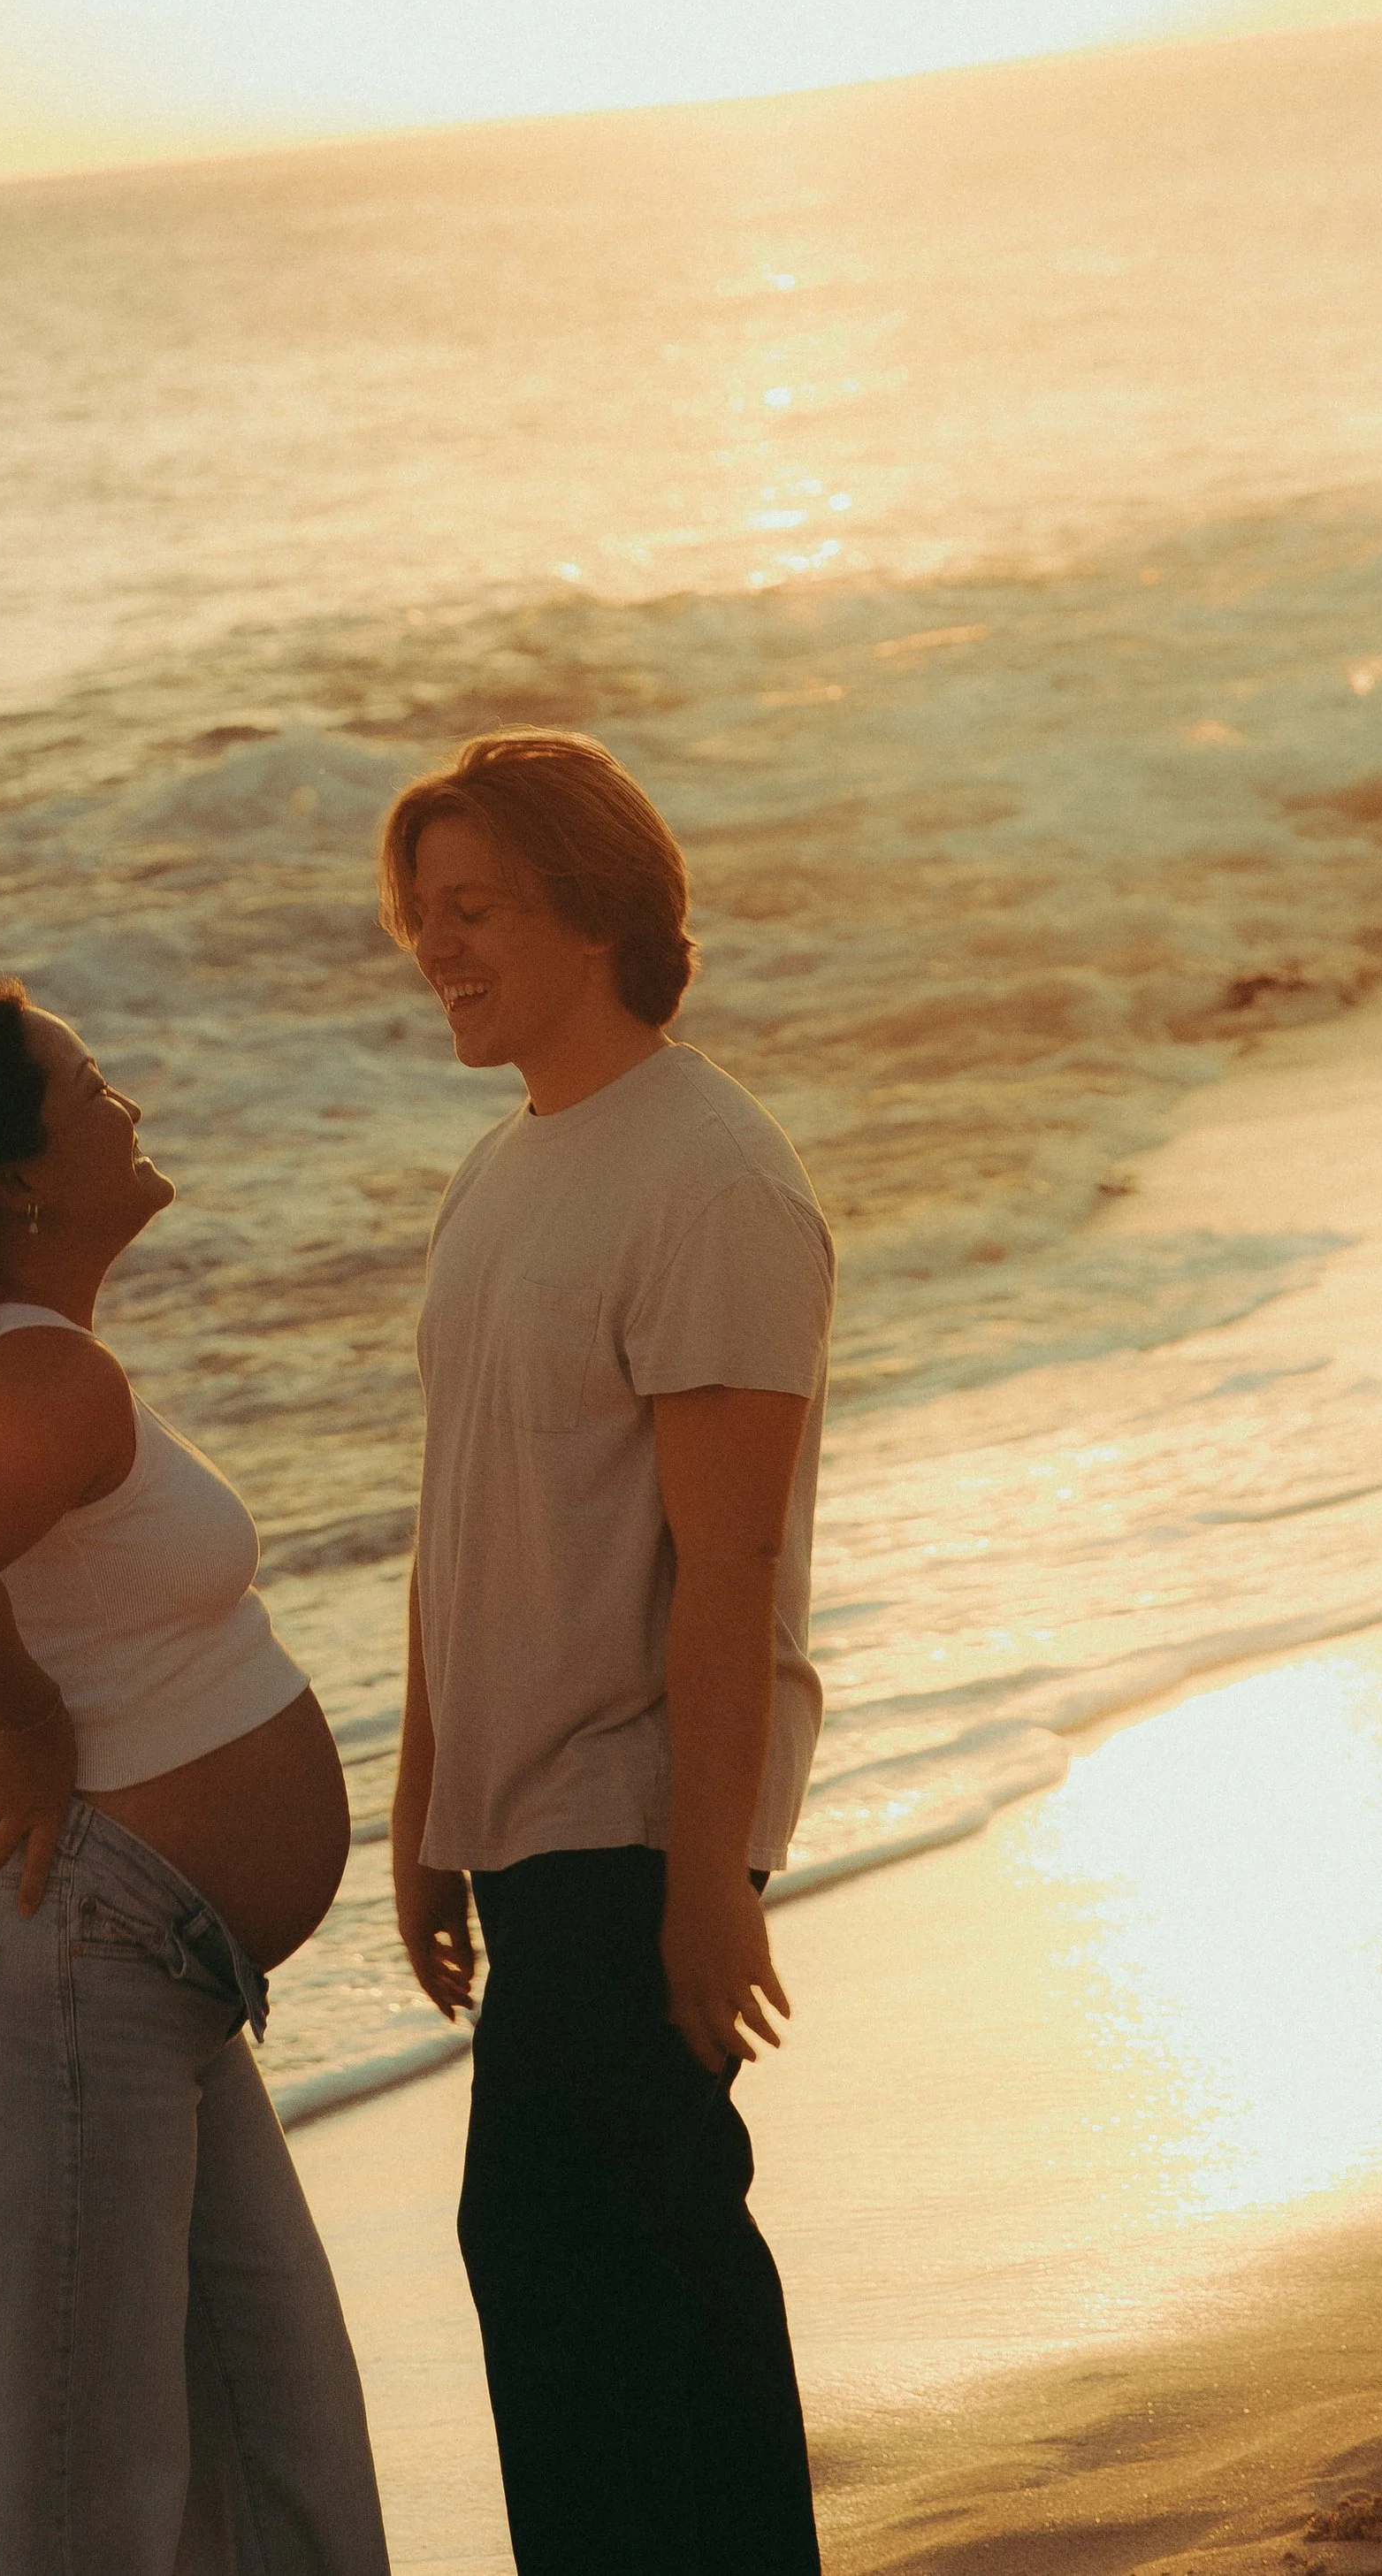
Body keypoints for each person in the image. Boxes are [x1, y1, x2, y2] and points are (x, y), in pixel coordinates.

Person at [0, 980, 389, 2576]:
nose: (127, 1103)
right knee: (59, 2544)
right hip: (65, 1990)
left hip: (142, 1989)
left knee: (288, 2500)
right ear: (20, 1182)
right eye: (91, 1083)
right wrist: (33, 1722)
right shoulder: (43, 1379)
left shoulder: (13, 1366)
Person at [380, 731, 832, 2576]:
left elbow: (724, 1569)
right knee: (591, 2268)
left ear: (593, 907)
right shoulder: (508, 1169)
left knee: (606, 2268)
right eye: (420, 916)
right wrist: (420, 1810)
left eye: (473, 908)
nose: (437, 947)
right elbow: (461, 1517)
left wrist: (708, 1879)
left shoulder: (707, 1180)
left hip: (637, 1818)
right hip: (526, 1821)